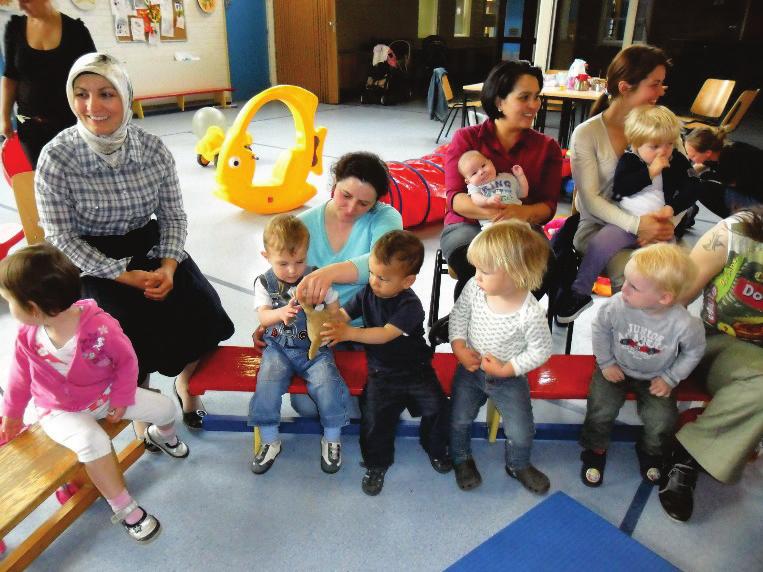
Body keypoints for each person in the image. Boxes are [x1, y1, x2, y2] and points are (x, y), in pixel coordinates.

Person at [34, 53, 234, 437]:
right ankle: (144, 409)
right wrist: (123, 276)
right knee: (123, 336)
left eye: (106, 93)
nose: (93, 106)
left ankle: (188, 390)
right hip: (93, 260)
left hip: (152, 248)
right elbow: (61, 238)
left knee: (201, 314)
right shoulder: (56, 157)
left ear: (126, 97)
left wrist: (170, 266)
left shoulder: (152, 149)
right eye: (82, 94)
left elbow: (173, 216)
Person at [0, 243, 189, 543]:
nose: (9, 307)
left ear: (34, 309)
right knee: (94, 442)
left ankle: (160, 435)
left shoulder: (100, 327)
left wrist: (122, 397)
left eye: (10, 301)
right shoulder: (28, 336)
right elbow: (19, 378)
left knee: (166, 408)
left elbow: (127, 361)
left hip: (106, 394)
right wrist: (11, 414)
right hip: (59, 410)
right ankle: (125, 508)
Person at [264, 151, 402, 418]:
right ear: (334, 184)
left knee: (368, 404)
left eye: (364, 203)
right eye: (345, 196)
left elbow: (384, 262)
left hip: (369, 326)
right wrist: (269, 320)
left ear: (376, 203)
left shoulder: (386, 217)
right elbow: (280, 275)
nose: (351, 208)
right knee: (307, 406)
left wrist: (327, 273)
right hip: (319, 333)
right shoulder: (302, 225)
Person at [321, 230, 451, 496]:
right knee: (375, 420)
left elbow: (384, 334)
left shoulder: (410, 305)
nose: (374, 281)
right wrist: (332, 318)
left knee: (437, 408)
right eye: (372, 273)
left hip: (416, 370)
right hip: (381, 372)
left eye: (383, 278)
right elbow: (346, 313)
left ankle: (435, 448)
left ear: (408, 281)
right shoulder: (368, 292)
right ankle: (376, 464)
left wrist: (349, 333)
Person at [659, 207, 763, 523]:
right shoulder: (733, 235)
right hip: (714, 342)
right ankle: (688, 456)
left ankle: (706, 445)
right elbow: (678, 297)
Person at [556, 105, 706, 322]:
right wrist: (651, 172)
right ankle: (580, 291)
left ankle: (664, 313)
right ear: (635, 145)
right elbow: (621, 188)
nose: (663, 152)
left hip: (660, 227)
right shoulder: (630, 161)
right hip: (626, 223)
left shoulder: (676, 161)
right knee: (599, 245)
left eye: (670, 144)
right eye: (654, 146)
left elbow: (693, 187)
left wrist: (671, 209)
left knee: (667, 267)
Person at [579, 244, 705, 488]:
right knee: (600, 410)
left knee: (662, 420)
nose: (622, 288)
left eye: (633, 286)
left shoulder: (684, 324)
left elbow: (694, 351)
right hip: (615, 367)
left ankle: (651, 452)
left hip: (656, 376)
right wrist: (605, 363)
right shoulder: (617, 305)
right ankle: (594, 450)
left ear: (664, 297)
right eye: (625, 280)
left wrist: (671, 377)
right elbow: (600, 328)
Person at [565, 45, 675, 317]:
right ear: (625, 87)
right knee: (637, 278)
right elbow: (589, 200)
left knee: (676, 281)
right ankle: (621, 349)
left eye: (662, 84)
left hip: (659, 225)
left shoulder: (663, 126)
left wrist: (665, 223)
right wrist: (638, 226)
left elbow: (682, 185)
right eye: (655, 84)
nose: (661, 91)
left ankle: (655, 348)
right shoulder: (588, 134)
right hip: (600, 227)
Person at [439, 59, 562, 302]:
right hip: (468, 225)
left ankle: (509, 330)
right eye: (524, 97)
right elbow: (455, 198)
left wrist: (518, 213)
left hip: (521, 226)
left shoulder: (547, 147)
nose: (534, 105)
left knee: (545, 266)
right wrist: (493, 212)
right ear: (499, 101)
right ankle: (470, 329)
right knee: (479, 262)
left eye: (536, 96)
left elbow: (548, 207)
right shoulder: (467, 138)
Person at [449, 220, 552, 493]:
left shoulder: (529, 312)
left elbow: (541, 349)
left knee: (521, 430)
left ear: (516, 273)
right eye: (477, 269)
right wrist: (459, 347)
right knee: (459, 418)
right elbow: (459, 317)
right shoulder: (474, 288)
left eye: (485, 270)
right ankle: (460, 457)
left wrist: (509, 369)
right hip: (470, 371)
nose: (477, 276)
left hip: (508, 378)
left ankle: (518, 464)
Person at [248, 215, 349, 475]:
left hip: (315, 350)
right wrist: (279, 315)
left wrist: (334, 322)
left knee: (329, 384)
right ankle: (270, 440)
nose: (293, 270)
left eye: (299, 261)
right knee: (267, 383)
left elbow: (335, 308)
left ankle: (332, 437)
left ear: (307, 254)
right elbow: (263, 316)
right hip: (279, 348)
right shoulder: (264, 283)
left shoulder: (316, 278)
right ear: (266, 255)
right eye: (283, 263)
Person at [1, 0, 95, 166]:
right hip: (28, 124)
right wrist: (4, 117)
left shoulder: (76, 31)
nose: (22, 6)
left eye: (27, 1)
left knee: (76, 177)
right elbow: (10, 76)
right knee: (42, 179)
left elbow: (93, 76)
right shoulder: (15, 28)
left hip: (70, 124)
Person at [685, 126, 763, 217]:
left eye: (693, 156)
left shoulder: (728, 164)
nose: (689, 158)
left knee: (701, 188)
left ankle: (740, 221)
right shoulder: (730, 148)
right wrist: (687, 172)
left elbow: (738, 185)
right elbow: (702, 165)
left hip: (758, 202)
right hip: (754, 189)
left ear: (708, 153)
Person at [457, 150, 528, 228]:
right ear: (468, 181)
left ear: (491, 163)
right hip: (493, 222)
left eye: (483, 165)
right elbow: (475, 198)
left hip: (517, 218)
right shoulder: (475, 186)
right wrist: (487, 201)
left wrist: (520, 176)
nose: (481, 172)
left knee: (526, 234)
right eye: (474, 173)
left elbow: (523, 193)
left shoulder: (507, 177)